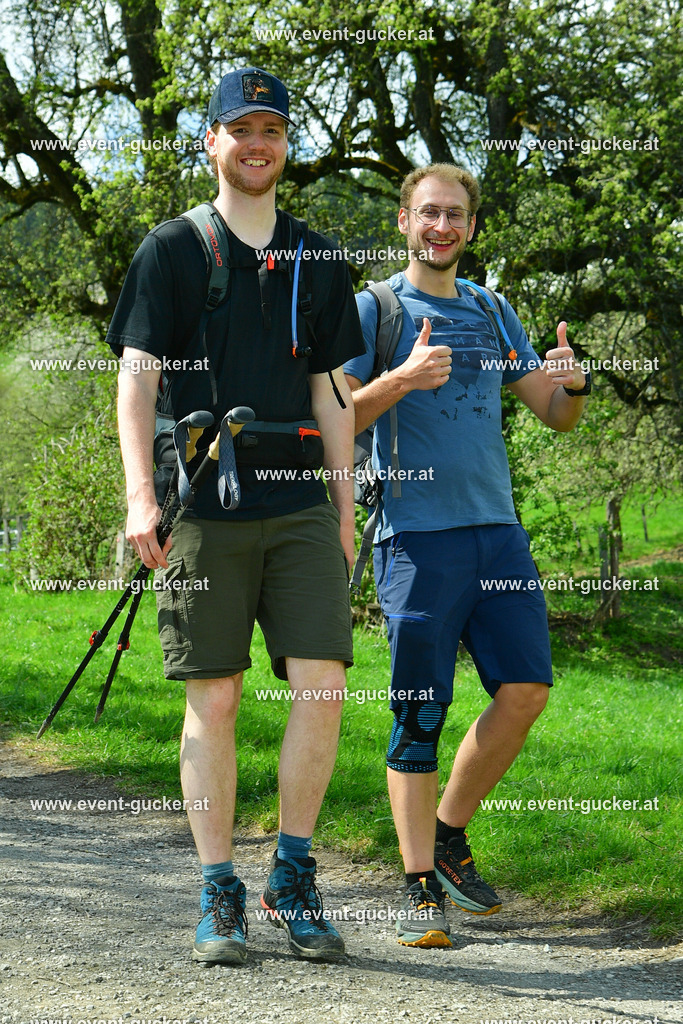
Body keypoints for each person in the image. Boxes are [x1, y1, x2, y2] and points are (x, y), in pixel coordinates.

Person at [107, 67, 364, 965]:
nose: (257, 144)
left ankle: (291, 875)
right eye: (241, 129)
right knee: (212, 698)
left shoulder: (319, 256)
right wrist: (141, 496)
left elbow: (331, 392)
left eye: (273, 131)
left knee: (323, 686)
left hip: (297, 503)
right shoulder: (172, 249)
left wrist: (344, 507)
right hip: (203, 508)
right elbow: (136, 379)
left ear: (285, 147)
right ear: (210, 142)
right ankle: (220, 890)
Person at [344, 163, 590, 948]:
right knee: (420, 712)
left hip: (497, 530)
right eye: (427, 215)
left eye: (454, 215)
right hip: (414, 537)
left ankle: (448, 835)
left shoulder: (491, 308)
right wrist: (400, 379)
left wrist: (573, 384)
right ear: (404, 222)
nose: (441, 227)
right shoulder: (373, 309)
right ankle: (419, 887)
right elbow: (332, 419)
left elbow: (554, 416)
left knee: (524, 692)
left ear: (472, 227)